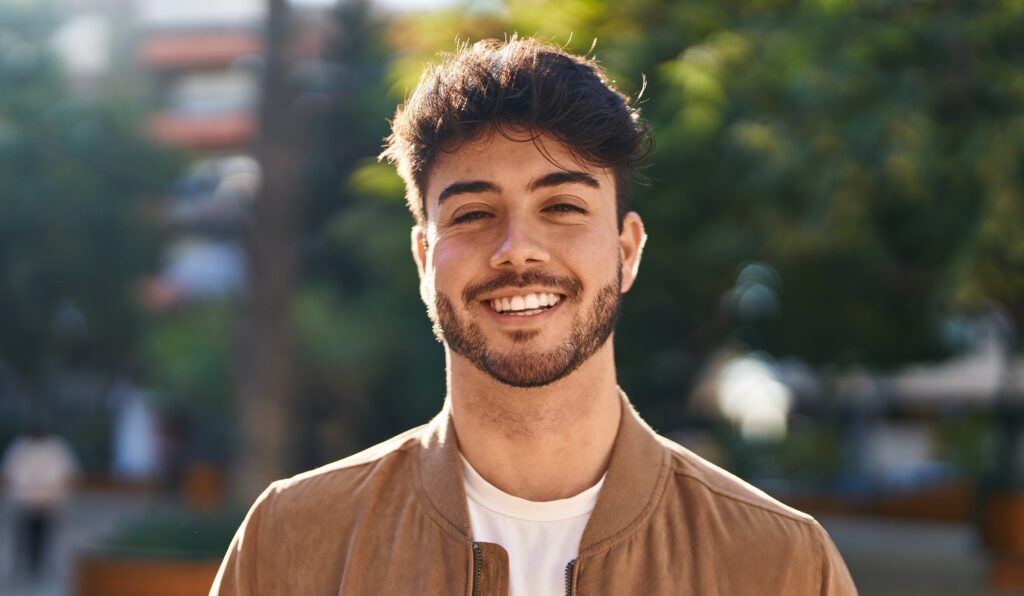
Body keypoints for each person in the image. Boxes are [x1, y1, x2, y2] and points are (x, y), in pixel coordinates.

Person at [212, 37, 857, 595]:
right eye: (471, 213)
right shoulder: (290, 544)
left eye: (563, 207)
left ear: (626, 251)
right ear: (423, 258)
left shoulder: (781, 565)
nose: (516, 247)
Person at [2, 423, 79, 580]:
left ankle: (41, 565)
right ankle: (22, 566)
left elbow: (65, 473)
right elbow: (12, 472)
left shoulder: (56, 448)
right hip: (25, 500)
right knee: (24, 535)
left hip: (48, 499)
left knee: (45, 534)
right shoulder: (20, 447)